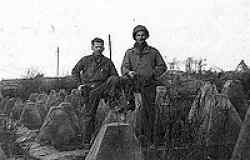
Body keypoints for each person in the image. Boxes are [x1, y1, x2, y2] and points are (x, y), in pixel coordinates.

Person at [121, 25, 167, 146]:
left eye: (142, 35)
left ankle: (149, 138)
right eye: (138, 35)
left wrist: (152, 74)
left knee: (149, 110)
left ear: (146, 36)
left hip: (148, 83)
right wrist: (128, 72)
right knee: (133, 109)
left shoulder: (153, 52)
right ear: (134, 37)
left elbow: (162, 66)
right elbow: (124, 67)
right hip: (134, 82)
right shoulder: (129, 52)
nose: (140, 37)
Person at [72, 37, 120, 148]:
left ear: (103, 48)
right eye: (96, 47)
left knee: (114, 79)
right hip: (89, 88)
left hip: (103, 87)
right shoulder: (85, 60)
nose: (98, 49)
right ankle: (86, 141)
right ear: (92, 47)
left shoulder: (107, 62)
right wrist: (79, 84)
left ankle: (113, 102)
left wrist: (111, 88)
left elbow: (115, 76)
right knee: (89, 115)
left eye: (100, 47)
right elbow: (75, 71)